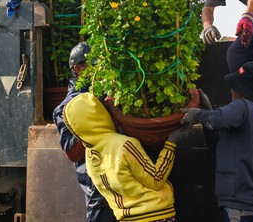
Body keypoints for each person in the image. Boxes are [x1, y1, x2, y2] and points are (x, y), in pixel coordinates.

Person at [61, 84, 190, 221]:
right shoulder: (124, 144)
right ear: (98, 114)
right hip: (156, 215)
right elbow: (156, 179)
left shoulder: (90, 155)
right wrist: (171, 143)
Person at [181, 61, 253, 222]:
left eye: (235, 86)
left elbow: (218, 120)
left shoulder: (243, 106)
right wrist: (208, 110)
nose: (231, 90)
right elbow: (218, 148)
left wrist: (198, 114)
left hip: (242, 209)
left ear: (244, 92)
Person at [53, 42, 117, 222]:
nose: (101, 72)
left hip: (125, 184)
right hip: (99, 193)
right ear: (79, 69)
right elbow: (72, 152)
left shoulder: (109, 96)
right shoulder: (67, 107)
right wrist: (93, 126)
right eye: (95, 67)